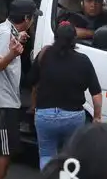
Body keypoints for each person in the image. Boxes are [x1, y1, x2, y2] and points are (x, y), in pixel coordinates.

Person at [0, 0, 40, 179]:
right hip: (2, 102)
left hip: (9, 100)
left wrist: (19, 40)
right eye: (33, 17)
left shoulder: (9, 30)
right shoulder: (5, 33)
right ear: (26, 18)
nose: (33, 21)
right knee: (4, 149)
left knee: (9, 147)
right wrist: (13, 54)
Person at [25, 22, 102, 169]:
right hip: (73, 117)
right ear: (74, 40)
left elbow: (30, 80)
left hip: (45, 115)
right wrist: (97, 117)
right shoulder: (83, 60)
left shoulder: (44, 55)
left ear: (55, 38)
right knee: (71, 156)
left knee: (47, 155)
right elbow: (96, 93)